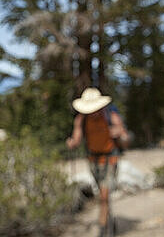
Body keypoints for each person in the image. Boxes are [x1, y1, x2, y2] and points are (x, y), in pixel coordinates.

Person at [66, 87, 129, 237]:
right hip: (93, 159)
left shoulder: (111, 115)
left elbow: (125, 139)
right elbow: (77, 138)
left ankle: (102, 231)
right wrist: (72, 143)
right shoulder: (82, 118)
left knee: (104, 196)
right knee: (101, 194)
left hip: (109, 158)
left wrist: (120, 134)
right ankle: (109, 222)